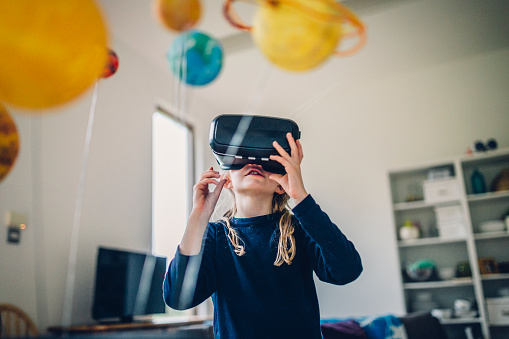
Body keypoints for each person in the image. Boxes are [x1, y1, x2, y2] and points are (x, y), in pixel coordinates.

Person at [163, 132, 362, 338]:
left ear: (279, 185)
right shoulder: (215, 236)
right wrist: (198, 216)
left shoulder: (299, 229)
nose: (254, 162)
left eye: (265, 160)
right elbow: (178, 299)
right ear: (227, 180)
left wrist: (300, 197)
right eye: (242, 159)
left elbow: (348, 269)